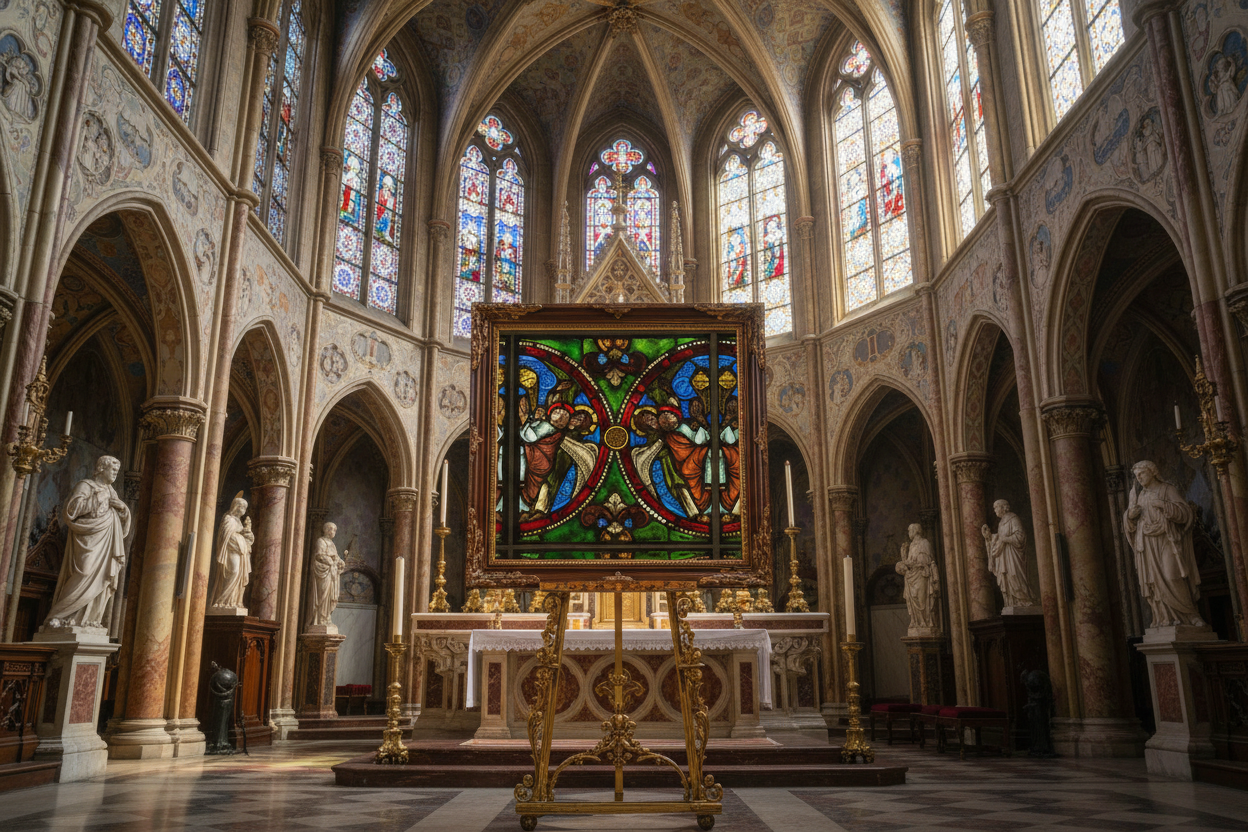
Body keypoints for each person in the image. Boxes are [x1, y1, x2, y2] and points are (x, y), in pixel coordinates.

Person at [44, 455, 131, 629]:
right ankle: (58, 617)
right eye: (112, 469)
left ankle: (90, 619)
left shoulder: (112, 491)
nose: (115, 472)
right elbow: (71, 510)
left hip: (106, 541)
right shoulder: (86, 485)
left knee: (104, 577)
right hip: (87, 539)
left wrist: (123, 509)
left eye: (117, 470)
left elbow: (121, 520)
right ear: (101, 468)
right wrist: (97, 500)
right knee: (84, 572)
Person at [1123, 461, 1204, 627]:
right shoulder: (1140, 495)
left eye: (1142, 474)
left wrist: (1165, 506)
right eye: (1137, 476)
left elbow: (1185, 513)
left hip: (1167, 539)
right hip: (1146, 543)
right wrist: (1130, 516)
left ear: (1153, 472)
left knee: (1172, 575)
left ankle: (1189, 615)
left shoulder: (1167, 489)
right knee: (1154, 583)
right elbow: (1130, 522)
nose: (1139, 478)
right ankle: (1163, 617)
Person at [982, 499, 1038, 609]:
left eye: (996, 507)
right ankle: (1011, 603)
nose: (995, 510)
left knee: (1014, 576)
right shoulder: (1001, 522)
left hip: (1013, 556)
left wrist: (1005, 539)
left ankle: (1024, 600)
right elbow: (999, 538)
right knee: (1006, 579)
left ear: (1003, 507)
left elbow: (1020, 536)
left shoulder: (1013, 518)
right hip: (1004, 557)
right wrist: (989, 537)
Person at [209, 496, 253, 609]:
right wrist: (241, 540)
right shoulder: (228, 519)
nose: (244, 509)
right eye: (242, 506)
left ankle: (233, 601)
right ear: (236, 506)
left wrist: (247, 536)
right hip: (230, 551)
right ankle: (222, 601)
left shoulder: (239, 522)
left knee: (239, 575)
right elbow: (225, 537)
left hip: (240, 552)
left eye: (245, 507)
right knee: (233, 571)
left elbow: (242, 536)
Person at [895, 523, 940, 632]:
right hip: (911, 577)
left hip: (921, 575)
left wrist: (909, 563)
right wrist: (904, 557)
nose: (909, 533)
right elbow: (909, 562)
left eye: (910, 530)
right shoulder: (911, 545)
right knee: (913, 598)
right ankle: (916, 621)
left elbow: (925, 561)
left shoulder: (924, 543)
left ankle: (926, 621)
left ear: (915, 531)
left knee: (922, 599)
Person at [309, 522, 347, 628]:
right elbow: (319, 556)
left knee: (331, 597)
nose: (332, 532)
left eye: (334, 530)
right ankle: (320, 619)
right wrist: (330, 561)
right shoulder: (321, 541)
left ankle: (327, 618)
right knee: (323, 596)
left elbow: (336, 557)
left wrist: (340, 562)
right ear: (325, 529)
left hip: (332, 574)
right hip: (324, 573)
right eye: (330, 529)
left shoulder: (332, 544)